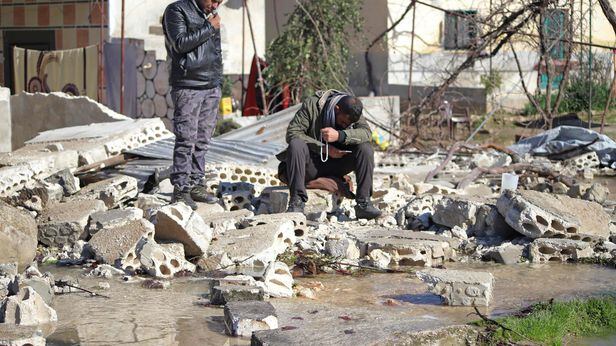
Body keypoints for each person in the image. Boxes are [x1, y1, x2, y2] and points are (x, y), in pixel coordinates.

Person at [277, 90, 382, 220]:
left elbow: (366, 133)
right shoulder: (313, 105)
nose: (346, 126)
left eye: (348, 125)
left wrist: (340, 135)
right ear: (337, 109)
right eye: (344, 123)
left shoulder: (353, 111)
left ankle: (363, 204)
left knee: (365, 148)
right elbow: (293, 132)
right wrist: (323, 148)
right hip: (311, 163)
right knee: (296, 144)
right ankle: (297, 202)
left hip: (337, 163)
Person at [162, 0, 223, 210]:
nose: (216, 4)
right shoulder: (177, 10)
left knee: (203, 139)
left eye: (220, 1)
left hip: (211, 85)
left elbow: (215, 51)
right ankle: (180, 190)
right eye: (213, 0)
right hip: (188, 85)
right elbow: (180, 43)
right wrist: (209, 27)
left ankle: (197, 185)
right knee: (186, 138)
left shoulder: (210, 15)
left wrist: (218, 80)